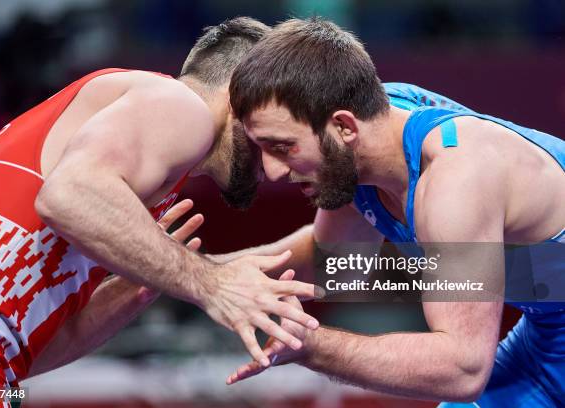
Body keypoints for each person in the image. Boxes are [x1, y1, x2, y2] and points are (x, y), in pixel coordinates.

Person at [0, 17, 322, 401]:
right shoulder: (180, 105)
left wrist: (148, 278)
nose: (277, 170)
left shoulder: (136, 160)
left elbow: (33, 350)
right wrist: (211, 283)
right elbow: (65, 195)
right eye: (273, 134)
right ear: (240, 92)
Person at [221, 18, 565, 407]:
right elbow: (338, 263)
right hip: (548, 341)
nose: (273, 171)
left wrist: (312, 347)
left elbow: (462, 369)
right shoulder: (366, 129)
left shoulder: (455, 180)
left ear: (344, 127)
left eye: (282, 147)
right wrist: (206, 277)